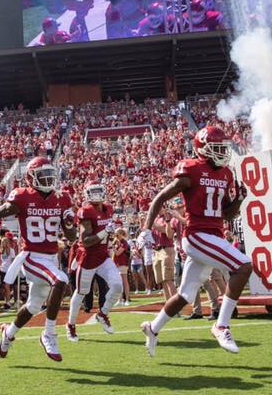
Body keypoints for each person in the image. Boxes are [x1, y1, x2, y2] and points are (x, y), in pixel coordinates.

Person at [140, 125, 250, 357]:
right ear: (203, 149)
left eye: (224, 148)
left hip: (214, 234)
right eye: (217, 148)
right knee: (243, 265)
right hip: (197, 235)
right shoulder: (191, 169)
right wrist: (146, 229)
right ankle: (221, 325)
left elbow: (226, 214)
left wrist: (239, 200)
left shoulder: (226, 174)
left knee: (185, 295)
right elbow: (160, 197)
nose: (222, 152)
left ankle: (153, 328)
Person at [0, 156, 76, 362]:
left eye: (50, 175)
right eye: (43, 175)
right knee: (60, 280)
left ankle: (8, 333)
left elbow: (71, 237)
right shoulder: (22, 196)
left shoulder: (62, 198)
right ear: (31, 178)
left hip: (51, 258)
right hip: (31, 257)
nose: (47, 179)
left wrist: (69, 224)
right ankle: (49, 334)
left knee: (34, 306)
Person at [65, 182, 123, 342]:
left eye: (99, 191)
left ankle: (103, 314)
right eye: (94, 191)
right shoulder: (86, 212)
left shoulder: (108, 208)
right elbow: (86, 240)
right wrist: (106, 231)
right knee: (81, 292)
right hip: (88, 257)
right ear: (87, 194)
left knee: (117, 286)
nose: (97, 194)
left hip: (103, 256)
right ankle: (70, 325)